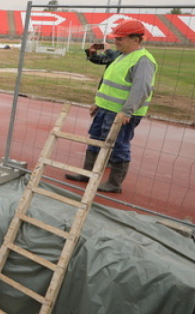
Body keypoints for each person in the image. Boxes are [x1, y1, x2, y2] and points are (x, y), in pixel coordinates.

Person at [65, 19, 157, 193]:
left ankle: (114, 184)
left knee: (118, 145)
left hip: (122, 114)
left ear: (136, 40)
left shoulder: (143, 60)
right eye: (116, 38)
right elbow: (109, 83)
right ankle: (87, 173)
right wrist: (98, 103)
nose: (116, 41)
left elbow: (141, 89)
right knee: (95, 139)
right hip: (105, 109)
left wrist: (126, 111)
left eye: (121, 38)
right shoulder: (122, 56)